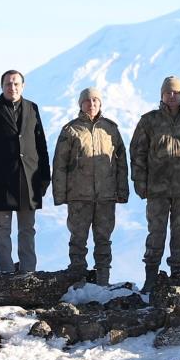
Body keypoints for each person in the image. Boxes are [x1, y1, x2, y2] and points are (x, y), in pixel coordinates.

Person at [131, 76, 180, 292]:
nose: (171, 96)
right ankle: (151, 277)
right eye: (167, 92)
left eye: (175, 92)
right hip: (157, 189)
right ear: (162, 95)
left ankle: (177, 275)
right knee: (156, 233)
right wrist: (140, 181)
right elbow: (137, 153)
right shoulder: (149, 121)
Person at [0, 70, 50, 274]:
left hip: (28, 178)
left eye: (16, 83)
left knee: (27, 229)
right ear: (2, 86)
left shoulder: (32, 108)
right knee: (2, 230)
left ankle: (28, 273)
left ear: (23, 86)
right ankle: (6, 273)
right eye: (8, 84)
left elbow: (40, 144)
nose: (12, 87)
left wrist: (45, 176)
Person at [52, 87, 129, 285]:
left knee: (104, 240)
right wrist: (60, 195)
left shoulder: (111, 129)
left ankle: (103, 281)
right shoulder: (70, 130)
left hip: (106, 196)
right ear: (80, 104)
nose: (92, 104)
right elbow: (59, 164)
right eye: (87, 100)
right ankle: (78, 281)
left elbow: (121, 161)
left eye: (95, 100)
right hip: (79, 196)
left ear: (101, 103)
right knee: (78, 241)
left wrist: (122, 191)